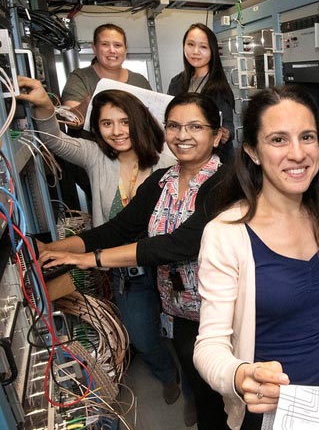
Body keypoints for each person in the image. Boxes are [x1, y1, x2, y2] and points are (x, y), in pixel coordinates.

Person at [38, 93, 231, 430]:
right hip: (181, 312)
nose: (182, 135)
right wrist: (56, 248)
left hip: (223, 313)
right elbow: (118, 228)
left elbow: (177, 245)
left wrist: (89, 260)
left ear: (216, 136)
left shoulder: (227, 183)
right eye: (174, 126)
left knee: (226, 398)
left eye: (195, 127)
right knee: (201, 391)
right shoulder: (162, 182)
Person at [193, 85, 319, 430]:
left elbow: (316, 295)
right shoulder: (226, 233)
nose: (298, 153)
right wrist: (240, 375)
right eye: (278, 140)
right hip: (272, 412)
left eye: (307, 137)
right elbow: (209, 346)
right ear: (253, 152)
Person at [17, 76, 181, 407]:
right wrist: (45, 106)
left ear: (139, 121)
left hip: (171, 264)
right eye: (107, 123)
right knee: (143, 336)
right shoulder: (96, 155)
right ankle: (168, 374)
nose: (117, 131)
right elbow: (52, 138)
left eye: (124, 121)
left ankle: (192, 390)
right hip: (125, 270)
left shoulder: (166, 160)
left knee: (189, 337)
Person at [59, 23, 153, 209]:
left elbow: (150, 120)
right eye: (105, 45)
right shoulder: (80, 78)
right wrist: (95, 96)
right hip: (95, 162)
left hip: (132, 161)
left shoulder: (138, 80)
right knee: (108, 208)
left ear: (125, 49)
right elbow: (73, 121)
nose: (112, 50)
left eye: (117, 45)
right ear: (94, 48)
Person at [167, 23, 235, 164]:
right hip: (183, 152)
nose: (195, 51)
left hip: (214, 159)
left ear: (212, 51)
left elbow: (229, 124)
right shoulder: (176, 82)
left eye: (203, 47)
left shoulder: (219, 86)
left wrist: (225, 133)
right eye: (190, 44)